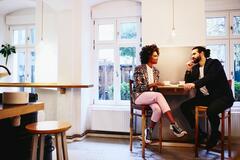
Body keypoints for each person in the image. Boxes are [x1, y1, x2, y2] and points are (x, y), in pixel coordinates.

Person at [180, 46, 234, 149]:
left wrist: (195, 84)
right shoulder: (195, 68)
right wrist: (188, 70)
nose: (192, 56)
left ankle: (215, 135)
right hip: (206, 98)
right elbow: (188, 83)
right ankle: (200, 133)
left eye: (194, 54)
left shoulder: (214, 63)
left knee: (211, 111)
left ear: (202, 53)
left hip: (222, 97)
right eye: (192, 54)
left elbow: (209, 78)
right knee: (184, 106)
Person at [133, 44, 187, 143]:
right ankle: (174, 125)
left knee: (157, 109)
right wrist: (153, 84)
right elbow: (138, 87)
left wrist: (160, 85)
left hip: (151, 96)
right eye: (154, 55)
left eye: (157, 55)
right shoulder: (139, 68)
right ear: (148, 56)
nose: (157, 57)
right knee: (159, 95)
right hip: (139, 96)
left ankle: (148, 132)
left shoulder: (156, 71)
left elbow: (154, 89)